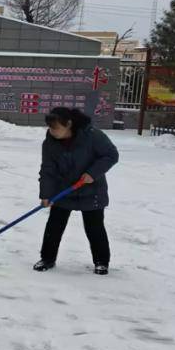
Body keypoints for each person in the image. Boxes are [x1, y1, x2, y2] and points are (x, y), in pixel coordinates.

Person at [35, 106, 120, 275]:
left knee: (94, 227)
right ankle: (47, 258)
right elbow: (48, 170)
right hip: (63, 190)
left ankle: (101, 262)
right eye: (50, 128)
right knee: (54, 226)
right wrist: (46, 194)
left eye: (56, 128)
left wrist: (92, 173)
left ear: (68, 124)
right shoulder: (50, 143)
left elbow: (111, 155)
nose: (52, 132)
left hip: (91, 189)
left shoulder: (92, 136)